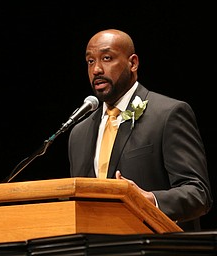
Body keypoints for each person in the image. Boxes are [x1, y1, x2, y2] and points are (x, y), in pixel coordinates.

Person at [68, 28, 213, 231]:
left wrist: (149, 200)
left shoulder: (167, 114)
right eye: (90, 61)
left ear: (133, 63)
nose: (97, 69)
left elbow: (199, 194)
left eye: (107, 58)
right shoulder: (79, 134)